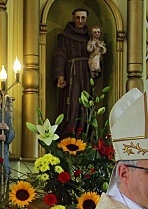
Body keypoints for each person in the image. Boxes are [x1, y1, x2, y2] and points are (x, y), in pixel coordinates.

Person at [52, 8, 91, 136]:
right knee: (73, 105)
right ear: (73, 17)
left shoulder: (90, 38)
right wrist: (60, 75)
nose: (80, 21)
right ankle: (68, 134)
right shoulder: (65, 37)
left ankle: (84, 135)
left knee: (85, 106)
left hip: (86, 74)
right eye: (78, 17)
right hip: (72, 74)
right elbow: (60, 55)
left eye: (83, 18)